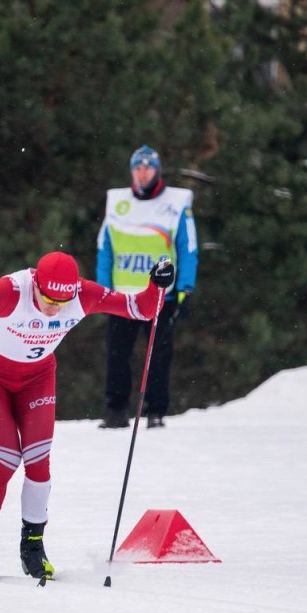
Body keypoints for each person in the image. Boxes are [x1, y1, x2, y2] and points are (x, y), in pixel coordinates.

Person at [0, 251, 174, 581]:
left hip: (37, 377)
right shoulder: (11, 291)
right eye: (48, 298)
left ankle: (33, 546)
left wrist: (157, 285)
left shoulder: (84, 294)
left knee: (39, 461)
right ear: (36, 283)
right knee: (6, 459)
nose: (54, 308)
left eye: (62, 301)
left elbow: (144, 309)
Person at [96, 144, 198, 429]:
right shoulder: (118, 202)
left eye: (148, 168)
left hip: (160, 297)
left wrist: (185, 289)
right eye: (137, 168)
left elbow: (188, 249)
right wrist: (103, 291)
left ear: (157, 170)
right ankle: (116, 411)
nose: (142, 174)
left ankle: (156, 411)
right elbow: (105, 249)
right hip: (123, 296)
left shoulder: (175, 204)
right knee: (117, 355)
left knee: (158, 354)